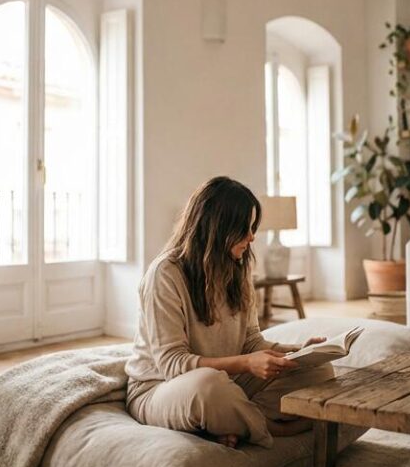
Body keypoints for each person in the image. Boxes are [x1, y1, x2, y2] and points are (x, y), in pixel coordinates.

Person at [125, 176, 330, 448]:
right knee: (210, 388)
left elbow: (251, 342)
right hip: (161, 389)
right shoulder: (165, 274)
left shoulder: (239, 267)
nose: (251, 237)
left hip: (228, 381)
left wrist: (296, 352)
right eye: (244, 228)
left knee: (320, 371)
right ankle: (268, 428)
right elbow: (173, 364)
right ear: (217, 228)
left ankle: (225, 421)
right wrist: (245, 364)